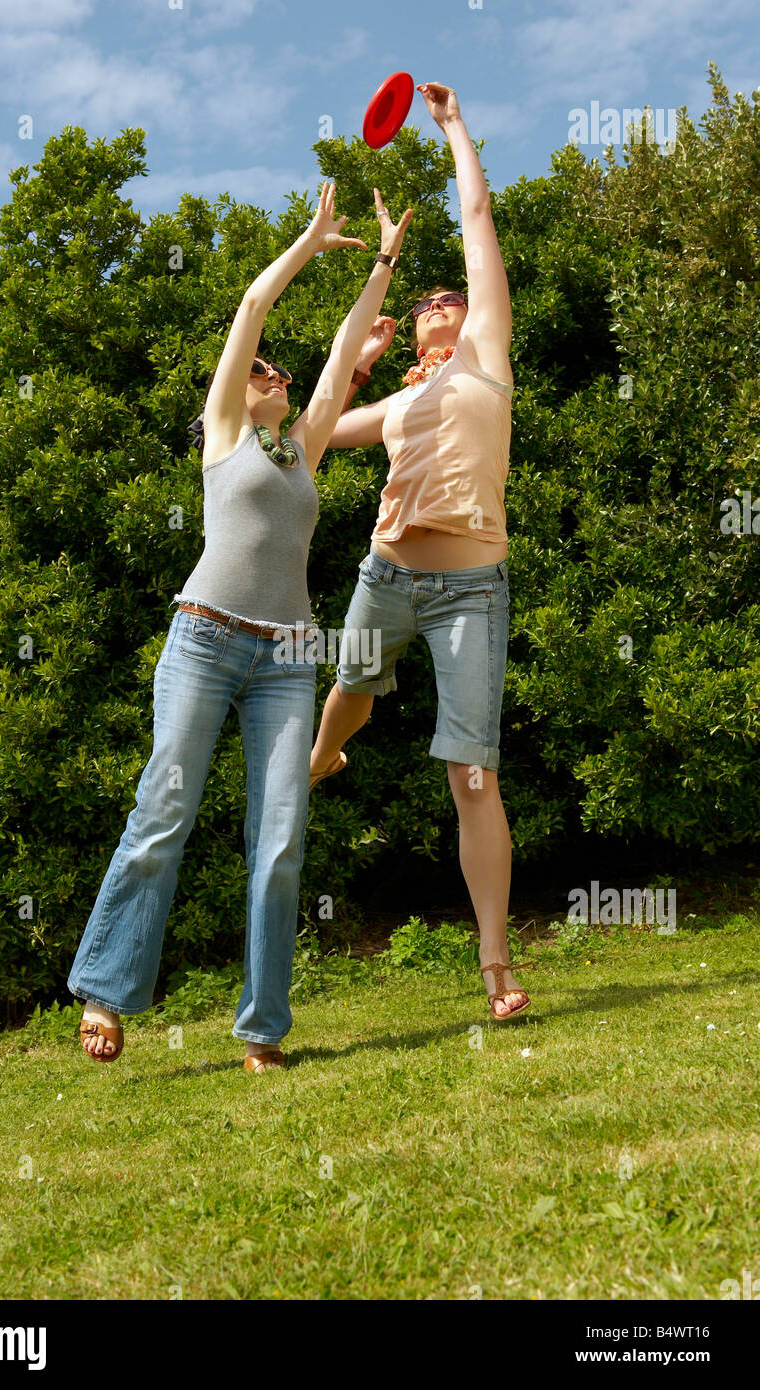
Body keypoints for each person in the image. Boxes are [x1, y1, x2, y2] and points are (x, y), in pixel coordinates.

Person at [68, 180, 413, 1070]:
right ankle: (107, 994)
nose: (275, 374)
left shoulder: (298, 448)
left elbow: (341, 358)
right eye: (263, 371)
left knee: (281, 835)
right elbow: (254, 306)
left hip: (290, 655)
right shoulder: (224, 435)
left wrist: (381, 261)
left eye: (275, 374)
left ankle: (262, 1030)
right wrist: (309, 240)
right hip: (206, 637)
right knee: (165, 808)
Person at [309, 82, 531, 1021]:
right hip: (387, 576)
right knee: (349, 699)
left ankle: (494, 967)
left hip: (470, 589)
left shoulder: (486, 354)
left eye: (451, 297)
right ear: (416, 342)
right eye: (432, 301)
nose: (444, 303)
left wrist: (449, 126)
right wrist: (364, 352)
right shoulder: (398, 400)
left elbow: (474, 215)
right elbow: (314, 429)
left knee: (469, 774)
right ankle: (321, 758)